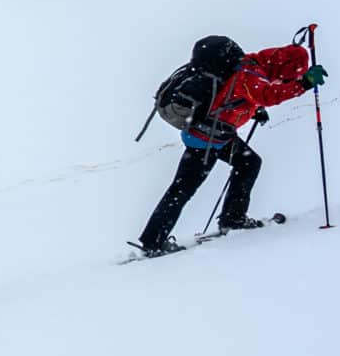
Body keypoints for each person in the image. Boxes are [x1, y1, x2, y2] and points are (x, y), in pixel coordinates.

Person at [137, 38, 324, 255]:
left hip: (217, 135)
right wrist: (305, 84)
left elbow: (235, 94)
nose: (290, 79)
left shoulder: (252, 64)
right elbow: (268, 95)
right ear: (284, 66)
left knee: (249, 162)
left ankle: (233, 218)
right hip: (207, 141)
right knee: (182, 190)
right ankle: (153, 242)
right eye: (292, 74)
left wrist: (254, 110)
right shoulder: (252, 74)